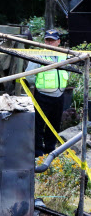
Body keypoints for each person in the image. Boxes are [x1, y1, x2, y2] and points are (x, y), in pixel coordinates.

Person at [25, 29, 69, 157]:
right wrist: (37, 86)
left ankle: (50, 149)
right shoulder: (38, 55)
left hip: (59, 95)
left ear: (58, 42)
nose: (49, 43)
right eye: (47, 40)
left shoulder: (64, 55)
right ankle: (38, 152)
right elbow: (29, 75)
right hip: (43, 95)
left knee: (54, 124)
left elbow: (68, 71)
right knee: (38, 125)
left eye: (52, 41)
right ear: (44, 41)